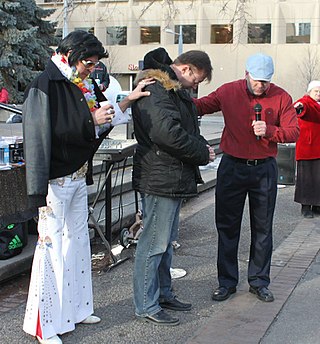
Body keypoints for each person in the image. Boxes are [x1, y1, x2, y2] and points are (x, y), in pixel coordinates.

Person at [22, 30, 152, 344]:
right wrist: (91, 120)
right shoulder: (44, 85)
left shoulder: (83, 83)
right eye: (88, 63)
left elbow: (100, 121)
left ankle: (76, 309)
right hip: (55, 181)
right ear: (70, 56)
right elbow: (42, 137)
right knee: (51, 250)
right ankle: (44, 325)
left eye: (94, 64)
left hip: (78, 176)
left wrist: (126, 101)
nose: (92, 69)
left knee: (78, 244)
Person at [193, 53, 300, 303]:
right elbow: (200, 105)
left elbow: (294, 130)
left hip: (264, 169)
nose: (261, 86)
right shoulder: (228, 92)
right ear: (246, 74)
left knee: (262, 228)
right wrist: (174, 90)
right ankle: (227, 282)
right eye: (257, 80)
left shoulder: (281, 96)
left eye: (265, 81)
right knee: (227, 227)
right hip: (232, 166)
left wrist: (271, 130)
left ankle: (259, 281)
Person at [131, 47, 215, 326]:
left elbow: (178, 130)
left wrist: (198, 147)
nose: (196, 86)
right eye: (197, 80)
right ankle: (147, 303)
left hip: (169, 175)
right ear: (188, 69)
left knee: (164, 244)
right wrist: (201, 151)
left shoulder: (169, 87)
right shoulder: (158, 87)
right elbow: (166, 133)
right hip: (160, 176)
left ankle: (162, 294)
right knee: (154, 244)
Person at [293, 80, 320, 218]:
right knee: (306, 179)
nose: (319, 94)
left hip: (318, 148)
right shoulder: (306, 102)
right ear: (310, 92)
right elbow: (302, 107)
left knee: (317, 178)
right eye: (316, 91)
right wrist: (300, 107)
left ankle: (317, 205)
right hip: (307, 148)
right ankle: (305, 206)